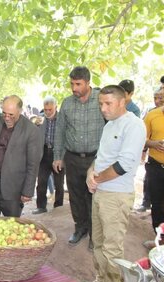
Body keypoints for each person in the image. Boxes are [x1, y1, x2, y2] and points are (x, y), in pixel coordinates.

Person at [83, 85, 145, 282]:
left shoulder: (134, 125)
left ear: (122, 102)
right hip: (101, 192)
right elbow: (101, 158)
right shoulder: (109, 125)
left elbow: (125, 164)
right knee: (98, 241)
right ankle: (101, 279)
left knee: (112, 245)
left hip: (117, 196)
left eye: (108, 103)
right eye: (101, 103)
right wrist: (91, 173)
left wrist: (97, 179)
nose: (103, 108)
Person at [53, 66, 105, 249]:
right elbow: (59, 131)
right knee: (75, 197)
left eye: (78, 84)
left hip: (96, 160)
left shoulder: (101, 100)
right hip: (72, 159)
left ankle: (94, 235)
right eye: (72, 84)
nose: (74, 88)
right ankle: (80, 228)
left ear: (88, 83)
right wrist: (58, 156)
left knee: (93, 197)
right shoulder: (67, 103)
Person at [0, 95, 42, 216]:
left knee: (12, 228)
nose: (6, 118)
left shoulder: (31, 131)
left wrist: (27, 191)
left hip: (13, 188)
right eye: (4, 113)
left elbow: (33, 164)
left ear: (20, 111)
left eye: (11, 115)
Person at [143, 75, 164, 232]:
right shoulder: (152, 115)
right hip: (155, 168)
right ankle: (160, 240)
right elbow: (142, 139)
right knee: (157, 206)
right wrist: (153, 143)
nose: (161, 92)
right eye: (161, 88)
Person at [33, 96, 65, 214]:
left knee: (58, 184)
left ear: (56, 107)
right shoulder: (40, 119)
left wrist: (62, 157)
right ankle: (41, 206)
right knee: (41, 182)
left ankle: (58, 207)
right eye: (45, 109)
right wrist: (35, 126)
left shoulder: (63, 119)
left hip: (58, 154)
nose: (47, 112)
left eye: (50, 110)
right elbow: (35, 137)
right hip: (44, 153)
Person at [137, 89, 164, 213]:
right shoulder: (151, 114)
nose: (157, 101)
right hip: (154, 159)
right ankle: (146, 202)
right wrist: (143, 151)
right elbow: (143, 136)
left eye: (160, 98)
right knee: (149, 181)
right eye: (155, 98)